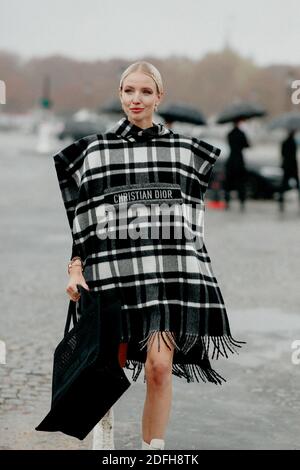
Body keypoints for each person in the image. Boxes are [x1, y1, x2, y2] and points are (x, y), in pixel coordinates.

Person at [53, 61, 244, 450]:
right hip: (112, 278)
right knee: (106, 369)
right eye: (128, 91)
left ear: (159, 97)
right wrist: (76, 269)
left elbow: (189, 221)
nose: (135, 99)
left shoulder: (185, 151)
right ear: (120, 95)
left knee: (159, 369)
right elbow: (86, 224)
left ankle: (152, 451)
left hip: (167, 276)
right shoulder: (96, 151)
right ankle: (103, 446)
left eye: (144, 91)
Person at [223, 120, 250, 211]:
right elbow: (247, 145)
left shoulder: (229, 134)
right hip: (239, 160)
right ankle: (242, 202)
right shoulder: (242, 134)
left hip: (231, 160)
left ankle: (227, 202)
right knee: (240, 183)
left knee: (229, 183)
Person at [278, 129, 300, 212]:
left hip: (286, 166)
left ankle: (281, 201)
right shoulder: (294, 143)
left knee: (283, 185)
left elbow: (282, 154)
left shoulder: (284, 142)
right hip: (292, 167)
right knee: (297, 186)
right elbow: (294, 156)